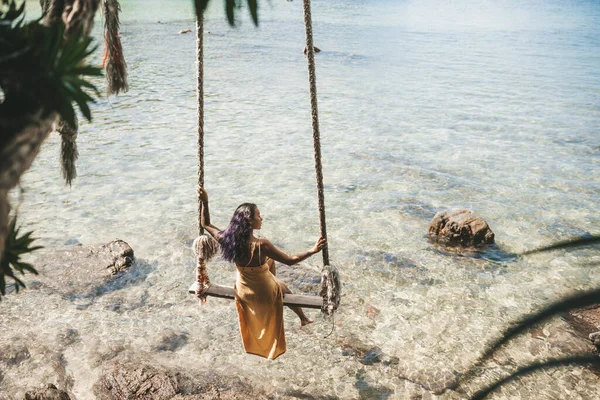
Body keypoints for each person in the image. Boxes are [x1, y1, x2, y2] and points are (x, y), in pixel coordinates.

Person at [198, 188, 327, 360]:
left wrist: (204, 201)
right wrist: (313, 250)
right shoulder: (262, 245)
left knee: (270, 263)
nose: (261, 218)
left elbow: (205, 224)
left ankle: (300, 315)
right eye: (258, 215)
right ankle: (303, 318)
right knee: (282, 287)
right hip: (264, 291)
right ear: (249, 222)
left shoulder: (227, 240)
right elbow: (290, 260)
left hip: (244, 290)